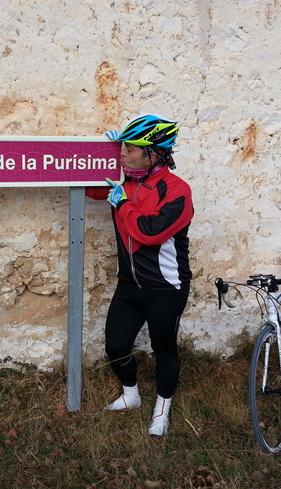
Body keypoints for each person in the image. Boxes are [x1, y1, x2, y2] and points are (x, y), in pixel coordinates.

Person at [86, 114, 194, 436]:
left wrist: (121, 204)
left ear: (155, 153)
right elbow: (90, 186)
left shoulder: (178, 191)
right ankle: (131, 396)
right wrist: (101, 155)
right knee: (116, 346)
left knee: (164, 350)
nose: (123, 153)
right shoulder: (127, 184)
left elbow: (150, 232)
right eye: (122, 147)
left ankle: (162, 410)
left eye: (130, 148)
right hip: (129, 285)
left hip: (166, 289)